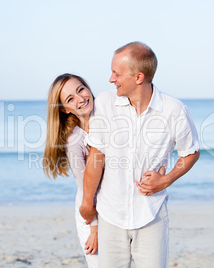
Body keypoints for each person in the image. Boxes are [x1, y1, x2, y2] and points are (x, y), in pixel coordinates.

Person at [80, 42, 200, 267]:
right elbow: (96, 156)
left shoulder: (175, 110)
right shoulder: (105, 103)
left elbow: (191, 152)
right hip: (110, 215)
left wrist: (166, 180)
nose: (111, 79)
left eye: (116, 73)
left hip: (151, 215)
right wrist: (87, 203)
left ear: (138, 77)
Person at [43, 73, 99, 267]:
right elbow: (85, 188)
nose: (81, 99)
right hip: (90, 211)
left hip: (111, 205)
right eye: (70, 99)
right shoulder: (75, 141)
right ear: (65, 110)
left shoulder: (109, 118)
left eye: (81, 89)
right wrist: (94, 228)